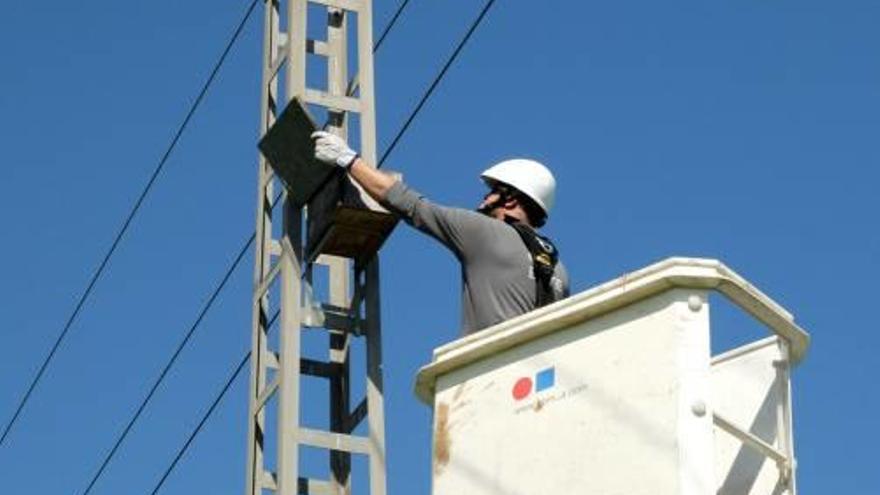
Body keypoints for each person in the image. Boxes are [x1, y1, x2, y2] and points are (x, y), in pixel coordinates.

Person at [311, 131, 570, 336]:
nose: (484, 198)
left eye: (492, 192)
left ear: (511, 200)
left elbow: (409, 203)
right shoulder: (558, 269)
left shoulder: (484, 232)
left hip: (489, 373)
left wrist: (348, 159)